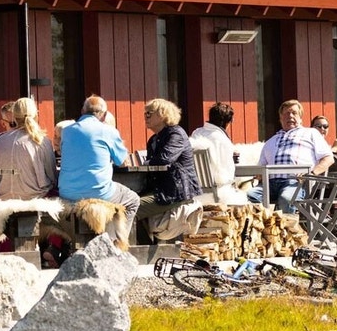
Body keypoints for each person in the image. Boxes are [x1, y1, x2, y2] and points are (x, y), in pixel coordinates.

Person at [57, 95, 139, 237]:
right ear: (104, 115)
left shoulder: (67, 131)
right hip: (99, 192)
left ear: (82, 111)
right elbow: (121, 161)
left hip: (67, 192)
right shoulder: (109, 131)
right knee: (133, 200)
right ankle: (117, 243)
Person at [256, 99, 335, 212]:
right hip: (270, 184)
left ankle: (288, 229)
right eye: (286, 113)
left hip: (296, 182)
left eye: (294, 113)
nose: (290, 116)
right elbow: (261, 167)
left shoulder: (311, 133)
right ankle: (263, 227)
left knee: (286, 198)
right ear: (280, 118)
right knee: (249, 197)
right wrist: (259, 175)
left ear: (301, 118)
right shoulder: (270, 141)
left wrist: (311, 173)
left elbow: (328, 158)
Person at [142, 98, 201, 239]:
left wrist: (146, 163)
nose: (145, 117)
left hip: (176, 192)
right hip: (161, 189)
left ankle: (146, 249)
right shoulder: (153, 140)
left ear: (162, 114)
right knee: (129, 202)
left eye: (149, 113)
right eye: (145, 113)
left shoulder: (176, 134)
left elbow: (164, 159)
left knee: (132, 207)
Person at [0, 96, 58, 199]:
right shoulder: (42, 140)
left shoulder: (1, 140)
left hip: (3, 197)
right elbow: (52, 176)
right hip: (35, 196)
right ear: (36, 115)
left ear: (14, 116)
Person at [189, 101, 239, 193]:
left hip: (195, 190)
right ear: (227, 122)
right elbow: (228, 173)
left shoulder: (196, 133)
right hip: (219, 191)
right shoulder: (222, 139)